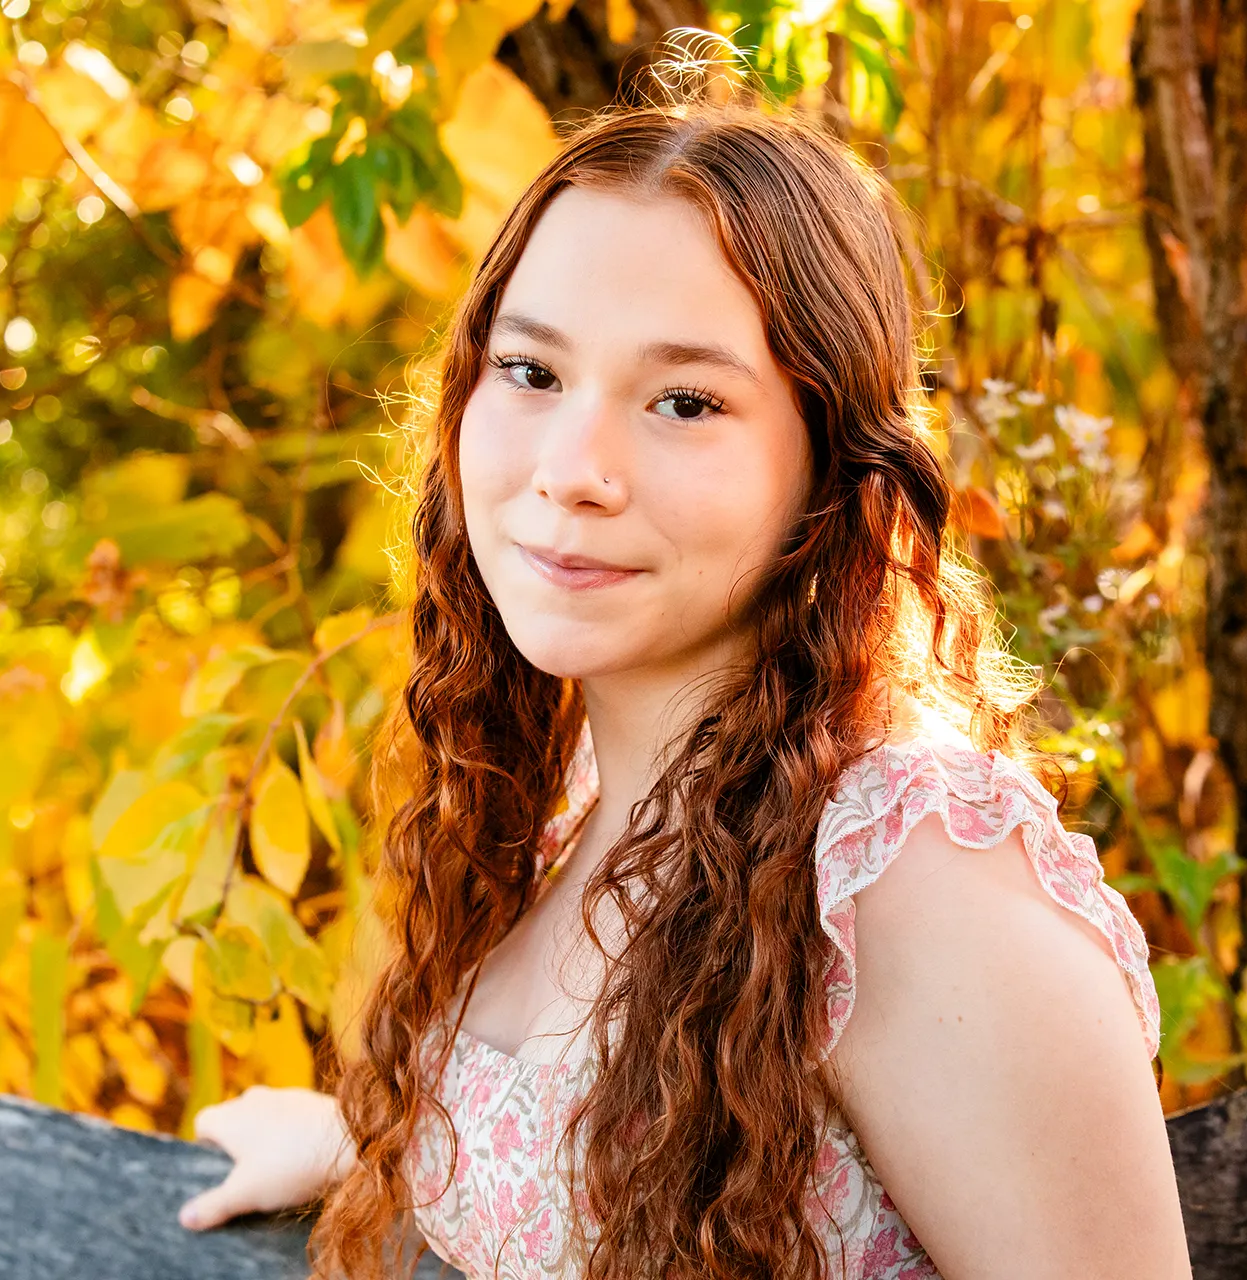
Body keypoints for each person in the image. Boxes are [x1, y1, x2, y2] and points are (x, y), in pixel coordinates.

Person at [175, 77, 1193, 1280]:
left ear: (829, 464)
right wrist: (364, 1137)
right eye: (533, 372)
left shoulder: (911, 870)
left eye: (685, 401)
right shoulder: (587, 813)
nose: (574, 469)